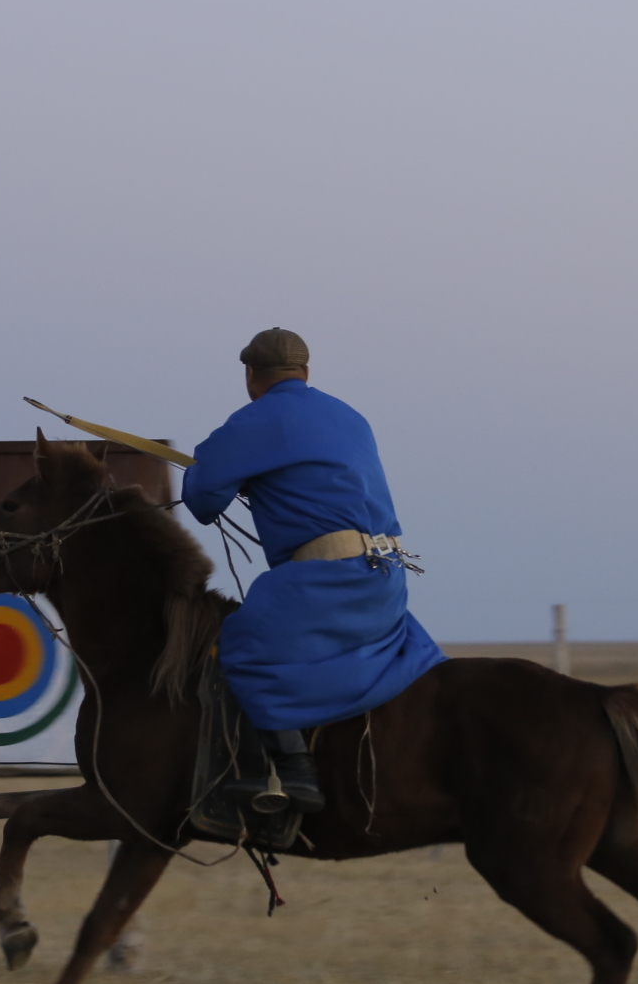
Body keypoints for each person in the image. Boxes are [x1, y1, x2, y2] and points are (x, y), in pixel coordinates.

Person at [180, 328, 446, 813]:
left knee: (241, 642)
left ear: (251, 377)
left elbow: (201, 501)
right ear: (305, 372)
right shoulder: (351, 417)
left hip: (329, 582)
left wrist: (204, 468)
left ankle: (291, 773)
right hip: (385, 581)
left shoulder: (253, 420)